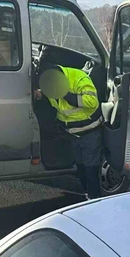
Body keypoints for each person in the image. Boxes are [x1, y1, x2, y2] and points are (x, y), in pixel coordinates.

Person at [36, 65, 103, 199]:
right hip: (72, 133)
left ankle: (95, 200)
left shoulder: (79, 78)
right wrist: (40, 94)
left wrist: (66, 94)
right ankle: (86, 195)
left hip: (89, 132)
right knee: (81, 167)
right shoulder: (51, 86)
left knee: (91, 169)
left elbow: (92, 102)